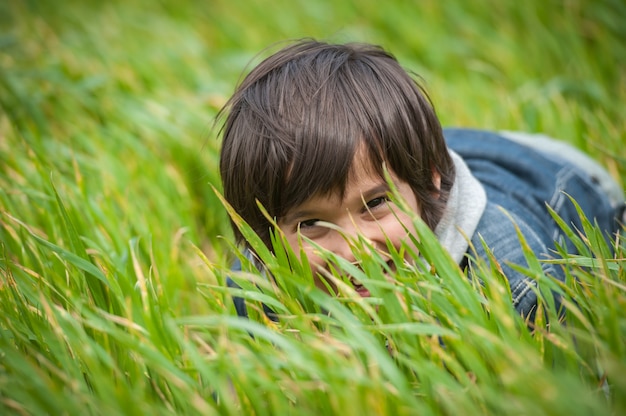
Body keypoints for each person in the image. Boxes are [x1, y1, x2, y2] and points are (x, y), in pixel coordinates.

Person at [218, 40, 625, 320]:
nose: (354, 249)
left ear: (430, 183)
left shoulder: (511, 276)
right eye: (310, 225)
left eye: (375, 205)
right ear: (265, 235)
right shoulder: (259, 284)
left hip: (551, 177)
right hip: (396, 162)